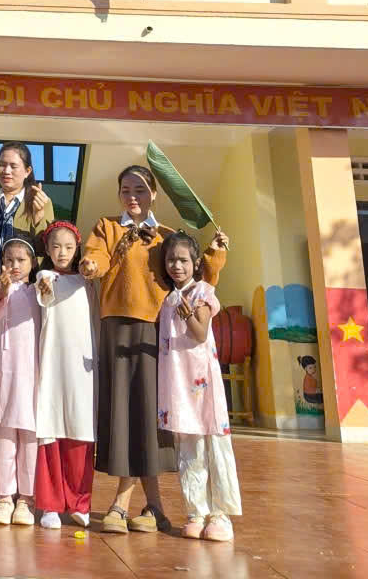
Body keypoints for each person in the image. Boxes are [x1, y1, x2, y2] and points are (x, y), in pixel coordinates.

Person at [79, 163, 228, 535]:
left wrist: (215, 256)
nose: (132, 197)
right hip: (115, 329)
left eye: (140, 190)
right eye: (126, 190)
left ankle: (126, 504)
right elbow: (95, 259)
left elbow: (194, 280)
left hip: (157, 332)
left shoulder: (167, 236)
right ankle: (151, 506)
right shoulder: (107, 227)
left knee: (149, 414)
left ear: (154, 194)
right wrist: (90, 265)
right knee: (121, 412)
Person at [158, 231, 242, 542]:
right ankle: (195, 511)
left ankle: (220, 514)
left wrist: (188, 315)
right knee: (188, 445)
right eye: (171, 260)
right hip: (177, 382)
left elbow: (200, 333)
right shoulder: (167, 298)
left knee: (213, 443)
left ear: (195, 264)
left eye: (183, 260)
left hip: (202, 383)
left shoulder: (203, 292)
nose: (176, 266)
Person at [33, 221, 96, 530]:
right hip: (53, 364)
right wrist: (45, 288)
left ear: (77, 248)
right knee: (51, 426)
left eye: (69, 247)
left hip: (83, 368)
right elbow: (45, 294)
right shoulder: (45, 277)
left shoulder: (87, 282)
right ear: (47, 248)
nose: (62, 252)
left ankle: (80, 502)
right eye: (56, 246)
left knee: (81, 429)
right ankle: (50, 504)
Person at [0, 235, 40, 526]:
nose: (15, 265)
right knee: (4, 430)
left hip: (33, 369)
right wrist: (3, 290)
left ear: (32, 263)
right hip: (6, 368)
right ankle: (4, 496)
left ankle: (26, 499)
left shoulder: (38, 290)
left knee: (30, 432)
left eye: (21, 260)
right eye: (9, 260)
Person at [0, 142, 54, 283]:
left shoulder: (41, 202)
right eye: (2, 164)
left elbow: (45, 250)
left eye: (13, 166)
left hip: (24, 289)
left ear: (27, 171)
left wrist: (38, 218)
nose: (6, 171)